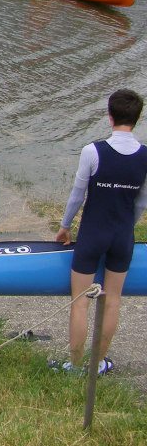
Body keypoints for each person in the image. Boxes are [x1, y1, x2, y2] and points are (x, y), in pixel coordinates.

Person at [54, 89, 147, 375]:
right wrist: (125, 227)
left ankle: (76, 365)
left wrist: (65, 226)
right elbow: (142, 203)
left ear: (109, 116)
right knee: (113, 301)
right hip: (122, 236)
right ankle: (98, 364)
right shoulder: (145, 155)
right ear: (137, 117)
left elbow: (77, 195)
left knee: (80, 301)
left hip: (93, 234)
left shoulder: (92, 151)